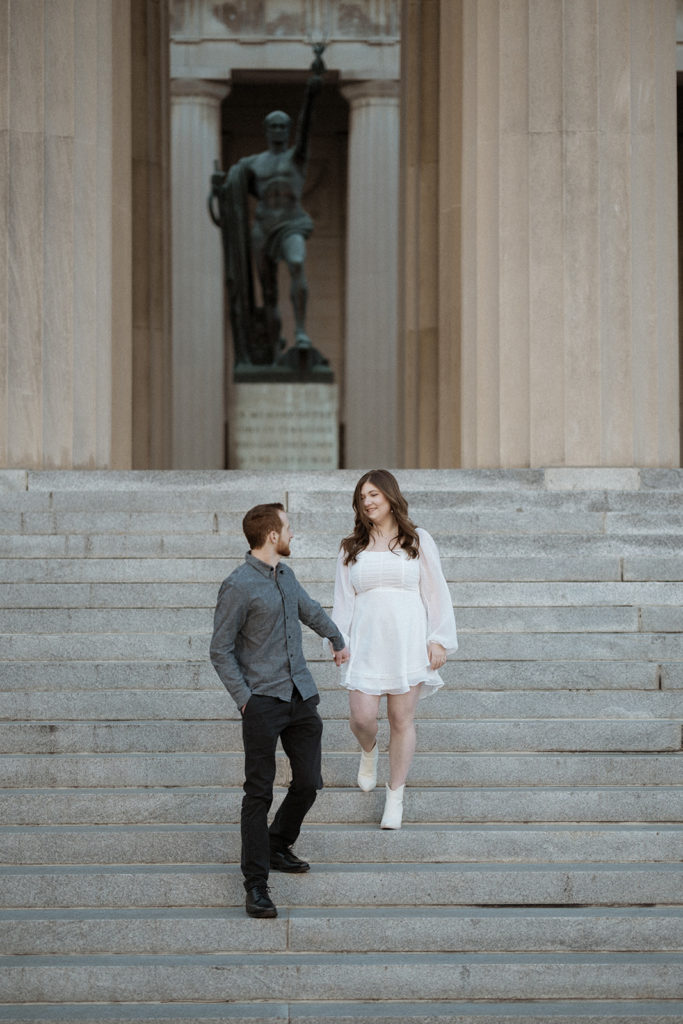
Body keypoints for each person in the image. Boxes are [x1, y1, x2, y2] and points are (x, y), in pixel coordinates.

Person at [210, 503, 349, 919]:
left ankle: (277, 842)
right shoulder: (237, 585)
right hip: (263, 701)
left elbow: (309, 609)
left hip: (300, 696)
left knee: (308, 781)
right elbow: (220, 649)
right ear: (272, 535)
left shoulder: (286, 575)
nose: (292, 534)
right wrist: (245, 699)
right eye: (288, 527)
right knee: (259, 792)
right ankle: (256, 884)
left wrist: (337, 638)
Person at [330, 470, 458, 830]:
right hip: (367, 642)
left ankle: (395, 796)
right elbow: (343, 601)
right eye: (362, 497)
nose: (368, 502)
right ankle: (368, 751)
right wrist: (339, 640)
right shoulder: (349, 548)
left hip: (408, 642)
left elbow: (436, 592)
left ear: (389, 497)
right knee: (361, 717)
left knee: (402, 720)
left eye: (374, 495)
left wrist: (439, 639)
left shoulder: (417, 540)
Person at [209, 72, 323, 365]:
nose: (278, 130)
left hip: (291, 222)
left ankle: (300, 331)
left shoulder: (296, 157)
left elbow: (307, 126)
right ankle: (273, 348)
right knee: (268, 292)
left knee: (297, 262)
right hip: (263, 228)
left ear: (287, 131)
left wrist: (311, 93)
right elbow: (231, 194)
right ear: (266, 130)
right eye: (273, 126)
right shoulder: (252, 164)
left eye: (283, 126)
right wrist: (220, 186)